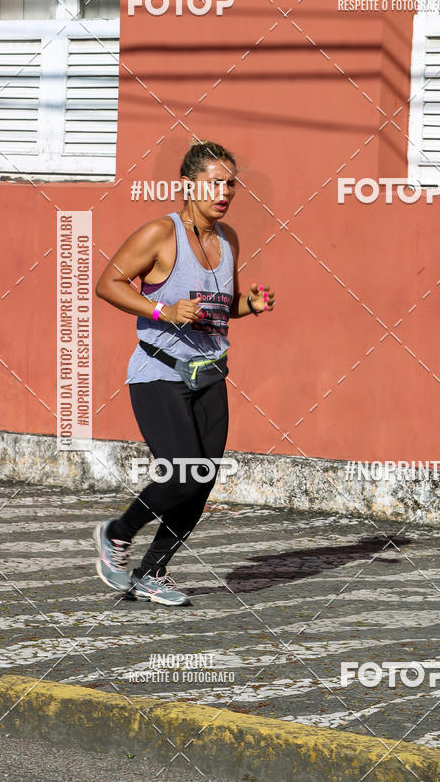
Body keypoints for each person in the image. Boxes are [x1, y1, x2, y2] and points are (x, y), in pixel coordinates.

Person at [93, 140, 275, 605]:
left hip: (211, 373)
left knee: (203, 477)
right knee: (180, 473)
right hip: (160, 370)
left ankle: (153, 572)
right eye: (215, 182)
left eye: (231, 183)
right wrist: (161, 309)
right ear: (188, 185)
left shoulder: (228, 239)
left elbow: (216, 307)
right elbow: (108, 283)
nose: (225, 191)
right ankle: (117, 532)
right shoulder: (160, 233)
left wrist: (247, 307)